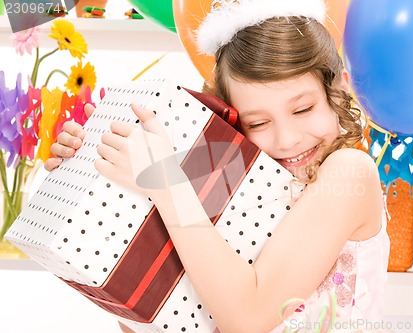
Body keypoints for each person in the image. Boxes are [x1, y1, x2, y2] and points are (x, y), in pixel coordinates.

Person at [45, 0, 390, 332]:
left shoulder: (349, 172)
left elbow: (249, 319)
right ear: (234, 122)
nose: (286, 140)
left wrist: (167, 184)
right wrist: (102, 169)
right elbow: (159, 320)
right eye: (258, 124)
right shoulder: (236, 195)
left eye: (302, 110)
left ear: (340, 89)